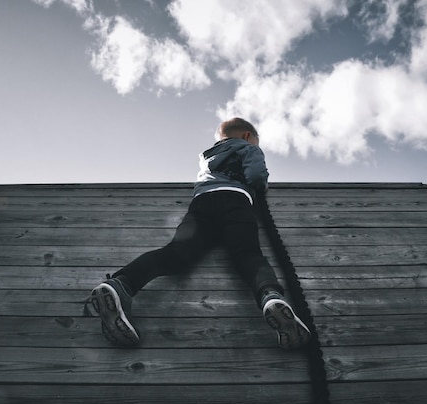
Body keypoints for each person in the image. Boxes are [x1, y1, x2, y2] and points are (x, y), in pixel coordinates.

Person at [90, 117, 311, 350]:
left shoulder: (207, 157)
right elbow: (256, 175)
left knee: (175, 253)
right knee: (247, 255)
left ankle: (120, 285)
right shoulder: (247, 147)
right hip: (234, 201)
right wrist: (261, 185)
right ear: (247, 136)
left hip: (201, 205)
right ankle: (270, 297)